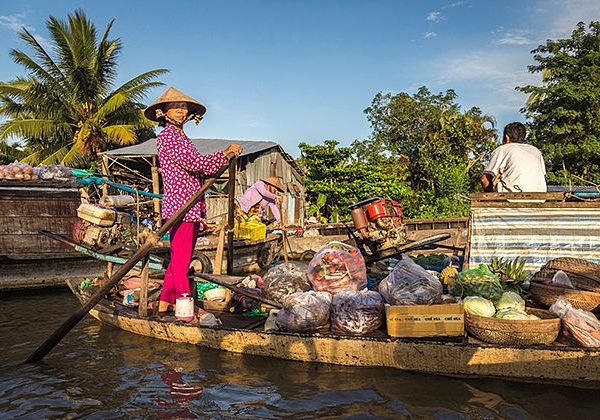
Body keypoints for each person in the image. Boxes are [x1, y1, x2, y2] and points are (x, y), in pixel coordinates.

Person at [144, 87, 242, 322]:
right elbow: (194, 163)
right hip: (181, 206)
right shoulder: (168, 137)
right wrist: (225, 153)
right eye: (175, 107)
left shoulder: (182, 137)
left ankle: (165, 304)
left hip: (191, 206)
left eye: (183, 107)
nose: (180, 111)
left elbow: (196, 166)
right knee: (180, 260)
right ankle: (186, 308)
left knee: (179, 257)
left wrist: (224, 157)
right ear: (164, 112)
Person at [481, 122, 546, 193]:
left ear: (507, 137)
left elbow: (485, 180)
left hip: (511, 200)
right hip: (539, 200)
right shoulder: (535, 151)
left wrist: (491, 197)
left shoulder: (503, 149)